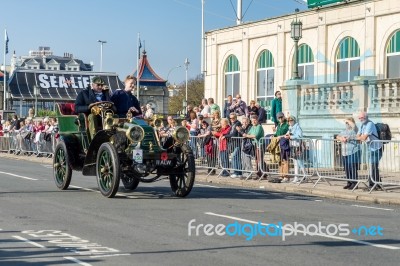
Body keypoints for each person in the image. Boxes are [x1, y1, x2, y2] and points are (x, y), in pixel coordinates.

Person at [356, 112, 383, 191]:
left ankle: (373, 185)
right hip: (370, 148)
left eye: (361, 118)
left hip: (377, 148)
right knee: (372, 167)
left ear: (366, 117)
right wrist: (360, 137)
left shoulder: (369, 124)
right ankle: (377, 185)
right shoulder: (362, 125)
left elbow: (363, 137)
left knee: (373, 166)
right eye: (359, 118)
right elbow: (358, 136)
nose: (360, 119)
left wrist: (361, 137)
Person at [337, 117, 360, 190]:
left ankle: (354, 183)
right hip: (345, 152)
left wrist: (347, 120)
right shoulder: (344, 131)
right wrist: (341, 138)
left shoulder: (355, 130)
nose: (347, 124)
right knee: (346, 168)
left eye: (348, 123)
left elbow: (354, 126)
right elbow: (338, 136)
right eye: (346, 123)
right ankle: (349, 182)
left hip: (352, 151)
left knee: (352, 167)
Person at [243, 115, 265, 179]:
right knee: (257, 159)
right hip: (254, 145)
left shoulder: (259, 127)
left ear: (257, 120)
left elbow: (255, 135)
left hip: (260, 145)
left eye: (255, 120)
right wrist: (247, 135)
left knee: (259, 160)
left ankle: (259, 174)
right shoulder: (252, 127)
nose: (254, 122)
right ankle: (264, 172)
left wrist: (247, 135)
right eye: (252, 121)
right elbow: (249, 134)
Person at [285, 115, 306, 183]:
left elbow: (299, 136)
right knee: (295, 162)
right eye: (289, 121)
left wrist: (291, 137)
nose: (290, 122)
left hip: (298, 146)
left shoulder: (297, 127)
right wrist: (286, 136)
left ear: (294, 120)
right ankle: (298, 176)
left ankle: (303, 175)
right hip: (292, 146)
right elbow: (287, 134)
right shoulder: (290, 127)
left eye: (291, 120)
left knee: (299, 162)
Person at [224, 113, 242, 178]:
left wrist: (225, 136)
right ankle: (239, 172)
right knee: (236, 157)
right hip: (233, 143)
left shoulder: (237, 123)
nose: (231, 119)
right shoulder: (232, 124)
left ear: (236, 117)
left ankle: (236, 172)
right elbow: (229, 132)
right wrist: (224, 135)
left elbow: (234, 134)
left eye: (233, 118)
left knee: (235, 157)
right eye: (230, 118)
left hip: (237, 142)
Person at [274, 112, 290, 182]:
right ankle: (281, 175)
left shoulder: (287, 124)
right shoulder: (278, 125)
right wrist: (274, 135)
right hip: (279, 144)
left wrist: (280, 136)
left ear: (283, 116)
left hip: (285, 144)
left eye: (281, 117)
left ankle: (286, 176)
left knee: (285, 160)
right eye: (279, 118)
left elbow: (288, 134)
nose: (280, 119)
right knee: (280, 160)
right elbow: (277, 134)